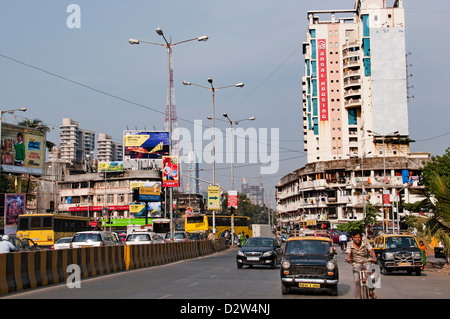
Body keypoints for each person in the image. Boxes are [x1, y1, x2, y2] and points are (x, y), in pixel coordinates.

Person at [345, 231, 377, 299]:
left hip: (367, 261)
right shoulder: (349, 244)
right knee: (356, 281)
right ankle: (357, 297)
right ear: (353, 237)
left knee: (374, 274)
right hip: (356, 263)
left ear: (361, 237)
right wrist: (348, 258)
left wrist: (374, 257)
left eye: (359, 237)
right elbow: (348, 253)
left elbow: (371, 250)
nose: (357, 239)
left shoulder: (365, 242)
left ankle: (371, 290)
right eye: (356, 237)